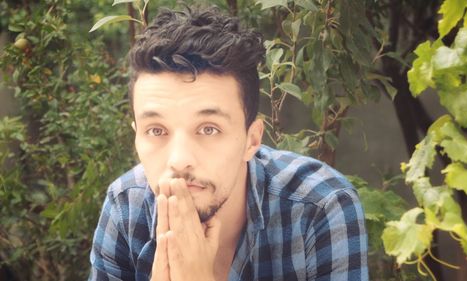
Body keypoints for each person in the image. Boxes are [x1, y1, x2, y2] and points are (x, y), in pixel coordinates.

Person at [89, 6, 368, 281]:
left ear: (252, 139)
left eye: (209, 129)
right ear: (136, 135)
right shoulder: (126, 207)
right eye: (156, 130)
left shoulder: (320, 206)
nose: (178, 159)